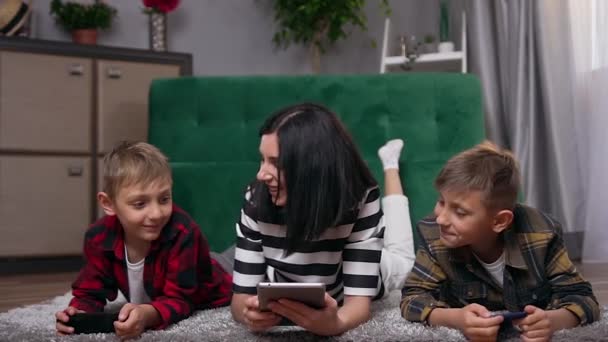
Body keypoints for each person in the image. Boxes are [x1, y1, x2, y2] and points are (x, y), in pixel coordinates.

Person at [230, 103, 415, 336]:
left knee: (406, 261)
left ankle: (390, 166)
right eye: (262, 159)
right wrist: (249, 315)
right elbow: (240, 302)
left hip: (364, 272)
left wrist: (336, 324)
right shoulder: (255, 199)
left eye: (275, 163)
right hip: (293, 277)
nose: (261, 174)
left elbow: (357, 306)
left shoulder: (360, 198)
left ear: (312, 167)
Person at [400, 141, 600, 341]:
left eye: (460, 212)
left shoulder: (542, 233)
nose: (441, 218)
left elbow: (583, 298)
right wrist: (455, 319)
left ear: (500, 221)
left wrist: (552, 321)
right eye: (441, 201)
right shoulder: (433, 233)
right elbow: (412, 299)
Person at [55, 141, 232, 339]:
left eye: (164, 199)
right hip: (202, 259)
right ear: (108, 203)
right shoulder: (98, 238)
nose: (156, 214)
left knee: (253, 262)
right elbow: (90, 291)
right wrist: (78, 313)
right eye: (140, 204)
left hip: (223, 273)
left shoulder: (183, 231)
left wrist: (146, 315)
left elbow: (181, 300)